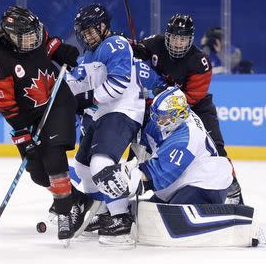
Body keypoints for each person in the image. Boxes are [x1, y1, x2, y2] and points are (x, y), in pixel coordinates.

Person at [0, 6, 99, 242]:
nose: (33, 40)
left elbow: (49, 44)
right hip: (26, 117)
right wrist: (23, 134)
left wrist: (61, 50)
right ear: (10, 36)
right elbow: (5, 105)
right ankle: (81, 201)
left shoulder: (34, 33)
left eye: (35, 34)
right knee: (38, 173)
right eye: (26, 37)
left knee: (53, 156)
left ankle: (65, 213)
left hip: (58, 102)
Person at [131, 14, 244, 204]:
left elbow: (189, 99)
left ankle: (234, 191)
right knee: (142, 138)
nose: (177, 43)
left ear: (190, 40)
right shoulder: (156, 43)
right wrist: (134, 49)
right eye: (174, 38)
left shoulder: (200, 62)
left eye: (182, 39)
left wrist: (156, 101)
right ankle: (132, 180)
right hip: (163, 104)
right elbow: (136, 48)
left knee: (216, 149)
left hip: (196, 107)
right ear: (167, 36)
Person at [65, 3, 145, 245]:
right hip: (103, 114)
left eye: (91, 30)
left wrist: (86, 99)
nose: (87, 35)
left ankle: (121, 217)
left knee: (101, 163)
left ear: (103, 26)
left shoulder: (116, 44)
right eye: (83, 32)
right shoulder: (88, 54)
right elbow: (81, 86)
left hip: (124, 111)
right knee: (82, 167)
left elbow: (118, 86)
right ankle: (101, 214)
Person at [92, 87, 233, 205]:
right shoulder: (164, 122)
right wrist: (130, 167)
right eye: (156, 115)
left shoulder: (186, 137)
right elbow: (144, 150)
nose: (157, 120)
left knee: (167, 217)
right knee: (142, 212)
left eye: (163, 117)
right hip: (182, 178)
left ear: (178, 115)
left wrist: (131, 178)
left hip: (207, 183)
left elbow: (158, 173)